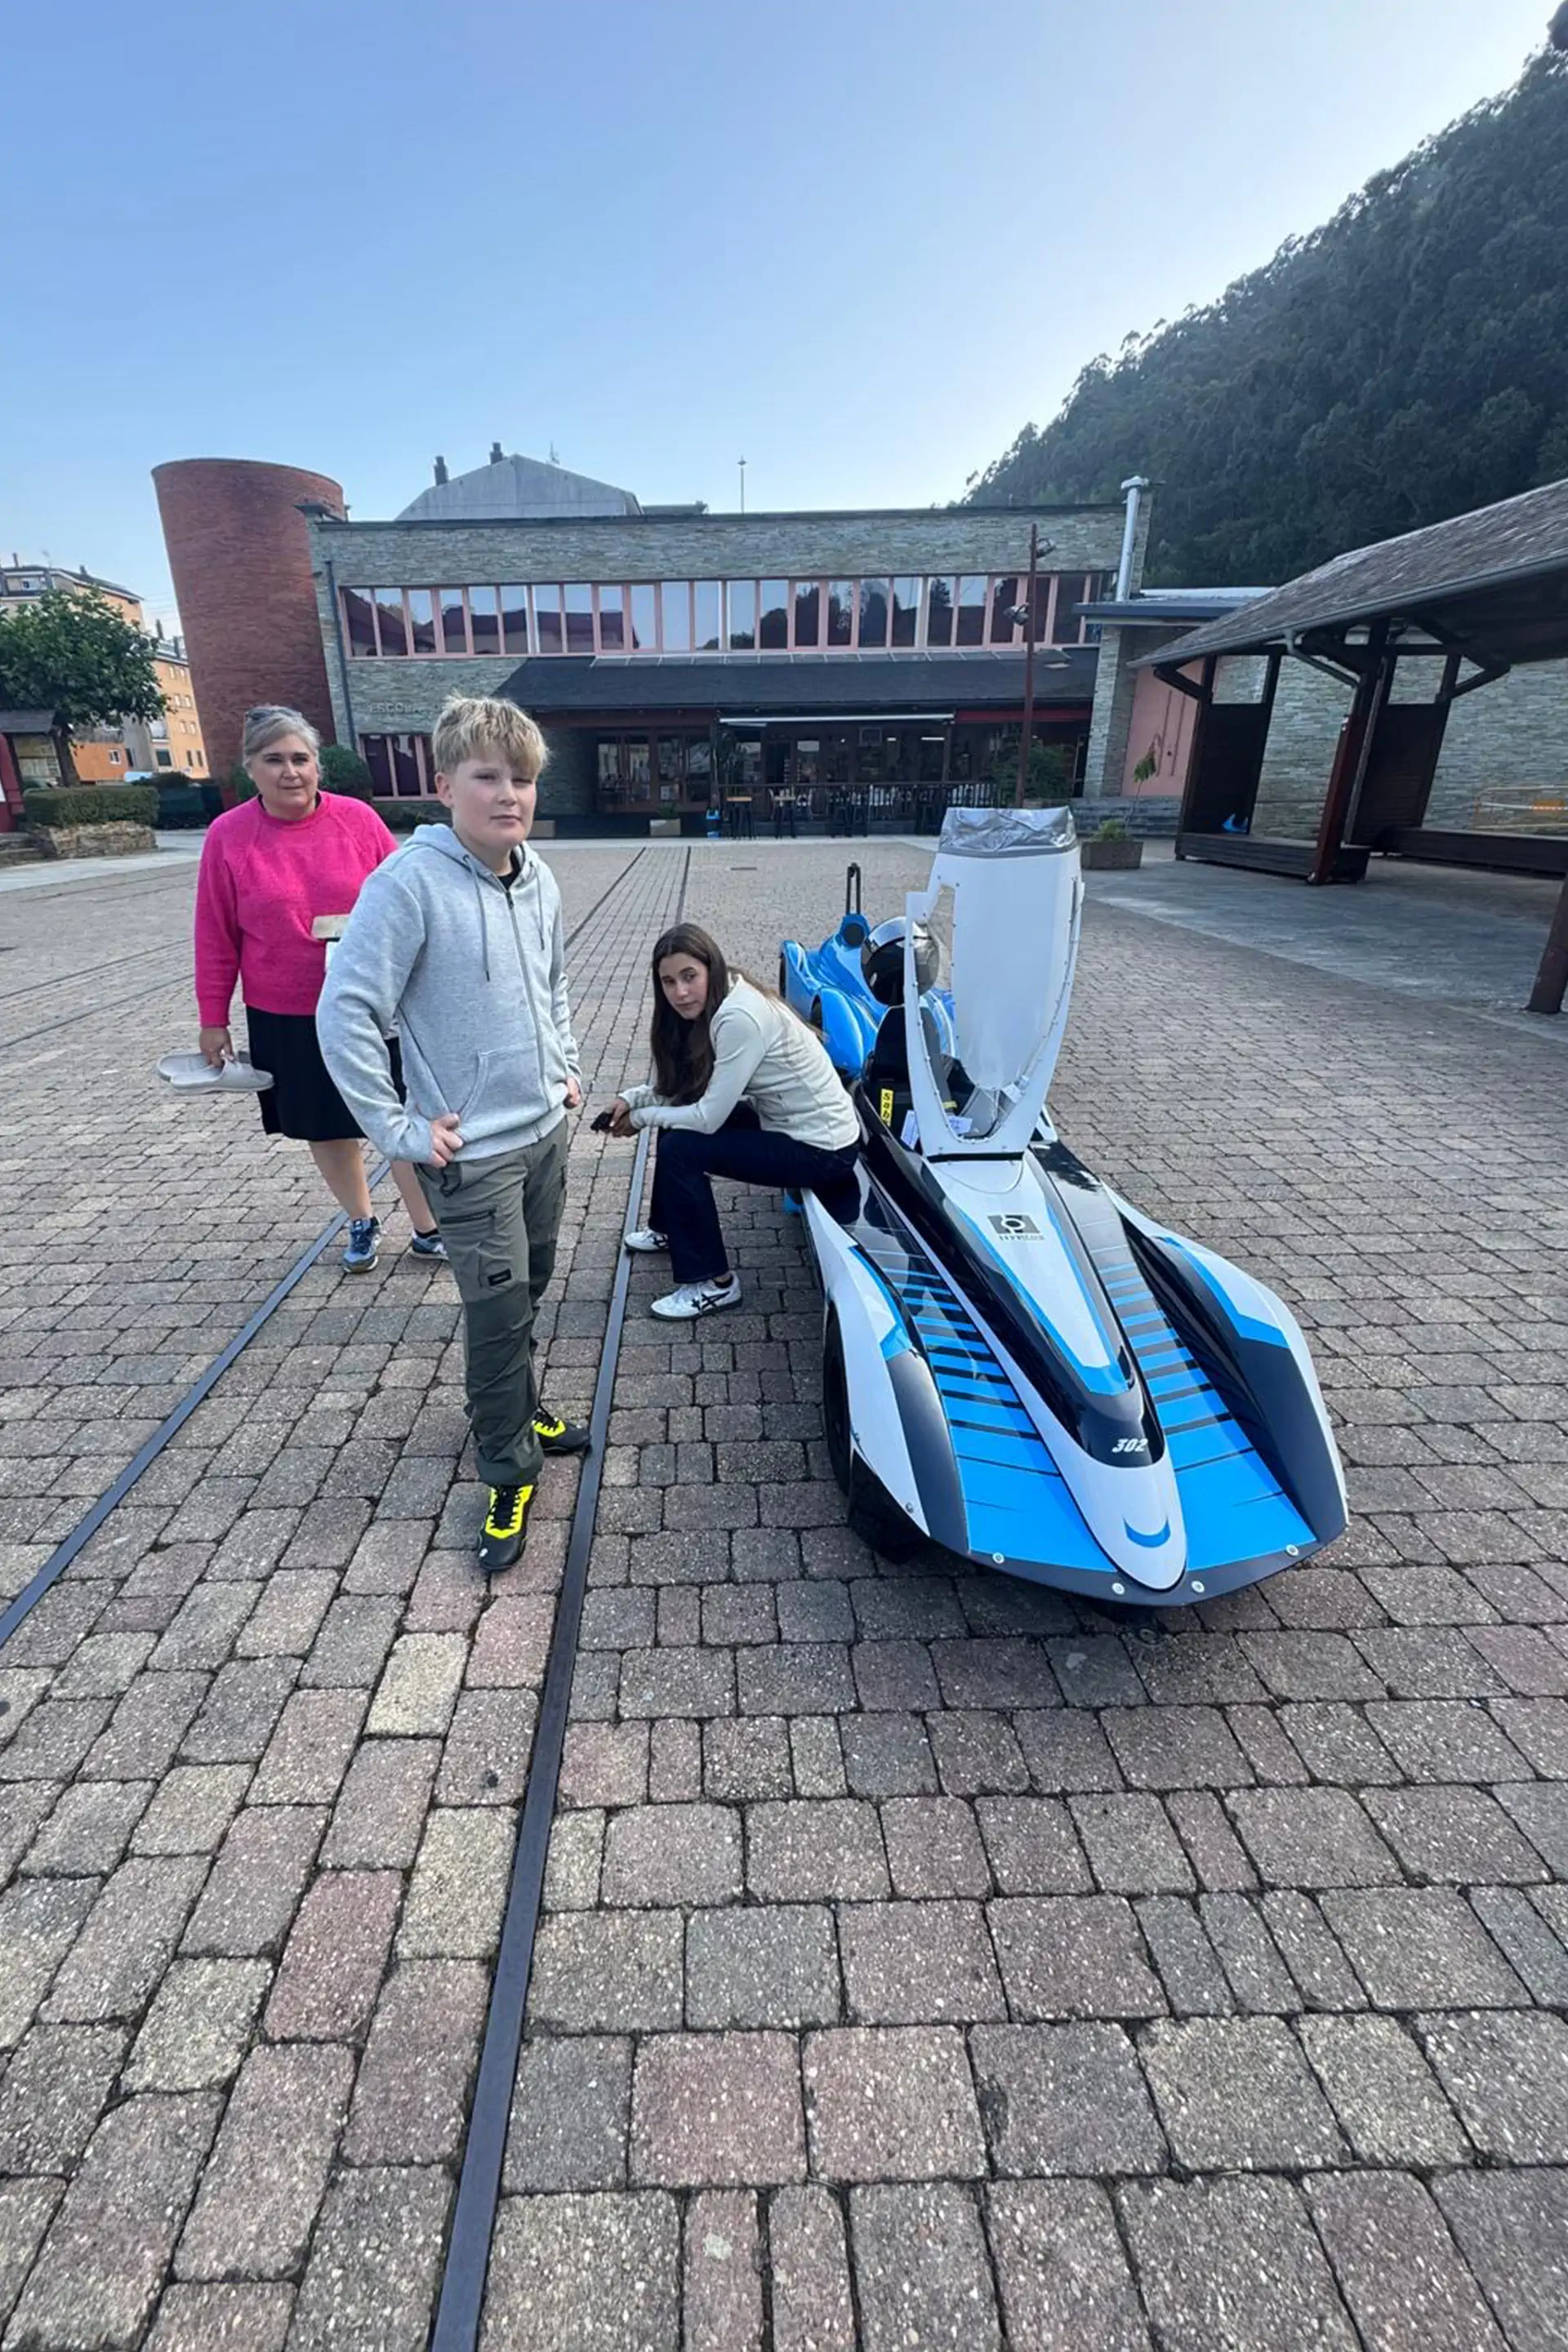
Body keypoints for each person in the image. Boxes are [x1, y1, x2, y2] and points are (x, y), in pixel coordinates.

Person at [318, 694, 587, 1575]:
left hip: (545, 1128)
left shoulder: (537, 874)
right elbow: (347, 1010)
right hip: (471, 1155)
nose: (510, 794)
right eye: (488, 776)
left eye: (523, 778)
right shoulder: (407, 884)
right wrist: (394, 1128)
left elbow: (551, 982)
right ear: (443, 786)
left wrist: (566, 1062)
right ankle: (507, 1465)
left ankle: (517, 1405)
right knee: (499, 1310)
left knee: (530, 1287)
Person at [193, 704, 443, 1272]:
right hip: (286, 1008)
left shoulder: (358, 821)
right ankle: (360, 1218)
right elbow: (215, 933)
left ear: (318, 765)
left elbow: (411, 900)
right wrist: (214, 1017)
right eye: (274, 760)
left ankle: (429, 1227)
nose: (290, 772)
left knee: (400, 1113)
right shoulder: (228, 838)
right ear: (249, 768)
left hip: (373, 1001)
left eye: (301, 758)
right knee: (325, 1122)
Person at [602, 923, 860, 1321]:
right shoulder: (728, 994)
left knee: (683, 1146)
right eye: (669, 982)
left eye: (689, 977)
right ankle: (670, 1226)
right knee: (676, 1130)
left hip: (824, 1149)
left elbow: (707, 1118)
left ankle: (714, 1283)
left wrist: (641, 1118)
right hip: (788, 1125)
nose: (680, 992)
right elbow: (693, 1088)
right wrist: (631, 1098)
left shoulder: (738, 1017)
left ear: (711, 968)